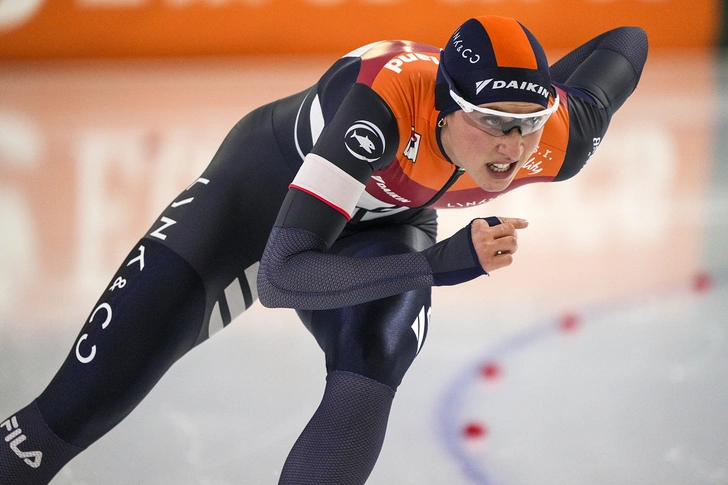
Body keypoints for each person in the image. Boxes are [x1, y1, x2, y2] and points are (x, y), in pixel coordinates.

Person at [0, 15, 648, 485]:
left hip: (387, 221)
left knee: (379, 352)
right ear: (446, 108)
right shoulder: (383, 103)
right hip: (259, 197)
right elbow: (281, 277)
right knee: (55, 426)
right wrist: (436, 265)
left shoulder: (552, 137)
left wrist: (534, 91)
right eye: (494, 122)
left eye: (526, 123)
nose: (512, 146)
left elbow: (628, 40)